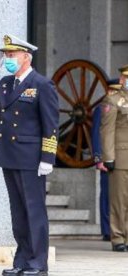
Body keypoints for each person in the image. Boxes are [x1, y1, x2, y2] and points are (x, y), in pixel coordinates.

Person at [0, 35, 59, 276]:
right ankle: (22, 260)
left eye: (12, 55)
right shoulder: (5, 84)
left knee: (34, 212)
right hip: (9, 155)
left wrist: (47, 158)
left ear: (26, 57)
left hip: (31, 158)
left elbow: (51, 124)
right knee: (19, 213)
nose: (8, 59)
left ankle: (38, 264)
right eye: (6, 55)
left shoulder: (41, 84)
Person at [100, 65, 128, 252]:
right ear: (122, 80)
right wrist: (108, 157)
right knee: (120, 200)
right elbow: (107, 130)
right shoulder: (113, 100)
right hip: (121, 156)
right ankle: (118, 237)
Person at [91, 80, 119, 242]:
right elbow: (96, 134)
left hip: (121, 157)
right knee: (107, 195)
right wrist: (98, 158)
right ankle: (107, 229)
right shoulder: (101, 110)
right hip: (106, 158)